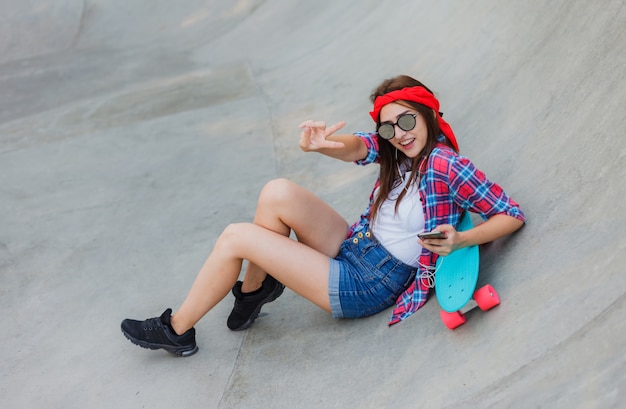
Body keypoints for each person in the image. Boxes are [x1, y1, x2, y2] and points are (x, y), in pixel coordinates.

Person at [121, 75, 525, 357]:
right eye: (390, 129)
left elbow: (511, 215)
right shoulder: (399, 151)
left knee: (235, 238)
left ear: (427, 113)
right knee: (276, 192)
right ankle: (254, 291)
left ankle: (177, 330)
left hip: (370, 282)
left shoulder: (447, 165)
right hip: (355, 244)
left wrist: (460, 241)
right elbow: (357, 147)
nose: (400, 134)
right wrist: (320, 145)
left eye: (407, 120)